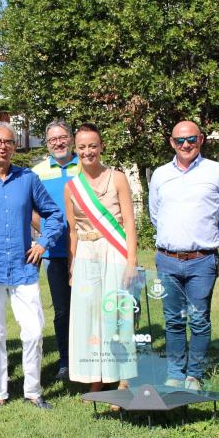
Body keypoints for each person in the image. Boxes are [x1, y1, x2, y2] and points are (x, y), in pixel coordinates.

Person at [0, 121, 65, 414]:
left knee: (33, 331)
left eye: (9, 142)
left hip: (23, 268)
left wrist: (43, 242)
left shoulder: (28, 179)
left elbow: (53, 214)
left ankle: (32, 391)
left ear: (15, 147)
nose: (3, 146)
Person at [149, 121, 219, 390]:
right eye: (180, 140)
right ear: (172, 142)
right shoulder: (160, 175)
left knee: (198, 318)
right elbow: (155, 215)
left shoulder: (218, 173)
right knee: (172, 319)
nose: (186, 145)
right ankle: (175, 372)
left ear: (202, 140)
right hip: (167, 259)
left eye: (192, 139)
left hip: (202, 260)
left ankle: (194, 374)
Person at [64, 123, 138, 391]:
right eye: (82, 147)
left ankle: (124, 376)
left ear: (101, 146)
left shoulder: (117, 177)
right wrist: (71, 267)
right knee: (89, 316)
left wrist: (131, 261)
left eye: (92, 145)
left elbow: (129, 223)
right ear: (76, 149)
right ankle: (96, 377)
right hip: (85, 253)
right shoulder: (72, 187)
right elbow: (72, 230)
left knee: (117, 312)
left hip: (114, 249)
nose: (88, 151)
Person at [32, 120, 80, 381]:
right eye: (53, 140)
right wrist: (52, 234)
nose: (58, 143)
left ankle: (90, 357)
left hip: (86, 251)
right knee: (62, 310)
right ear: (47, 143)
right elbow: (31, 209)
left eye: (63, 138)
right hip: (55, 253)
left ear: (71, 140)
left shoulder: (85, 165)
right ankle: (65, 360)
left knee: (88, 307)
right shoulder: (37, 171)